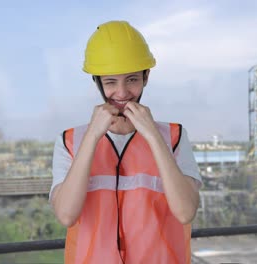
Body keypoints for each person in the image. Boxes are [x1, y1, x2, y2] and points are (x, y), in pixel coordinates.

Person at [49, 20, 201, 264]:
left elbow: (185, 212)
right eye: (110, 82)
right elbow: (66, 215)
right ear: (96, 81)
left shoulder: (173, 137)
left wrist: (152, 134)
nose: (121, 93)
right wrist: (92, 136)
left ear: (146, 76)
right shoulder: (70, 141)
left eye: (132, 80)